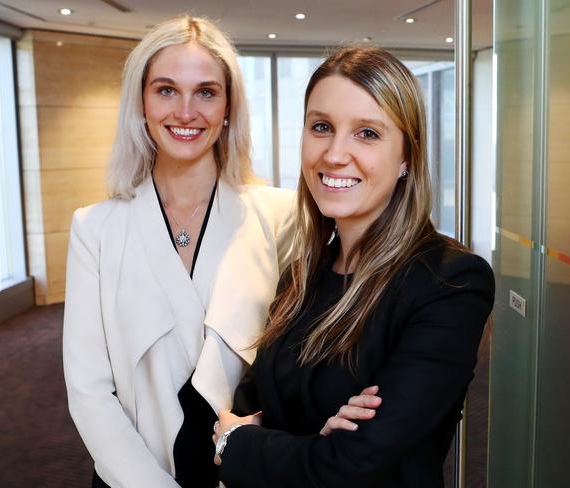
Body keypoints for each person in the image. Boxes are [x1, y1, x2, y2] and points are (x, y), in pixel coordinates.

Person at [212, 45, 495, 487]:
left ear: (406, 157)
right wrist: (318, 442)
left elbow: (349, 464)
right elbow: (252, 401)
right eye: (321, 127)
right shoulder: (304, 273)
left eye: (367, 133)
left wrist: (237, 445)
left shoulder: (450, 282)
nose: (335, 154)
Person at [61, 16, 297, 488]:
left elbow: (302, 358)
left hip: (245, 470)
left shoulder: (280, 215)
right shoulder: (96, 228)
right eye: (166, 90)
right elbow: (89, 390)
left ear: (229, 106)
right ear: (141, 102)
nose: (186, 111)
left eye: (206, 92)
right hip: (131, 475)